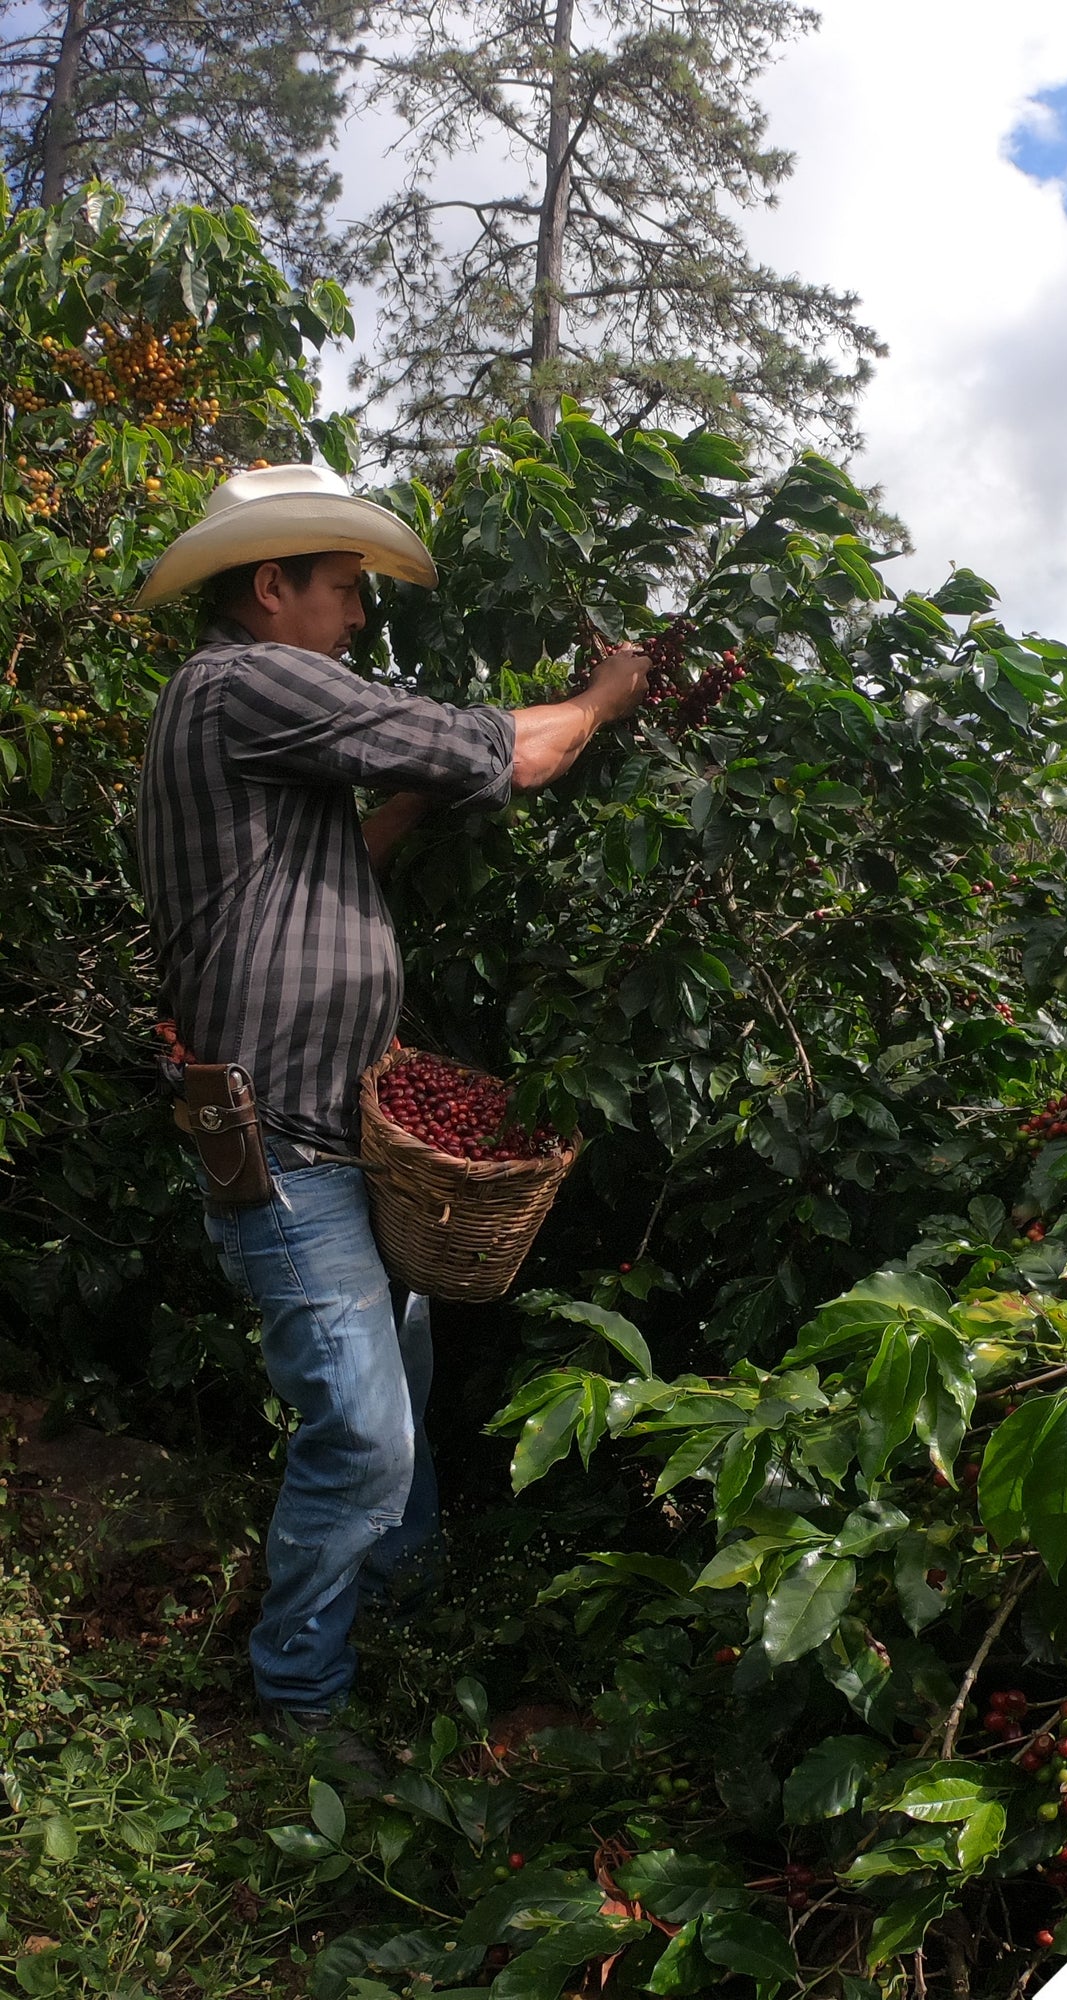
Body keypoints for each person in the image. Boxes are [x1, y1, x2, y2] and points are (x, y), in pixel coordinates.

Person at [134, 463, 649, 1753]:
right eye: (346, 591)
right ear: (272, 590)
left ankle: (403, 1613)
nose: (359, 618)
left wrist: (420, 792)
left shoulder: (249, 737)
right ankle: (301, 1701)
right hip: (281, 1136)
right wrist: (599, 699)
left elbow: (328, 865)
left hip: (339, 1126)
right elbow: (497, 751)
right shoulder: (242, 682)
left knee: (402, 1381)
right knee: (363, 1432)